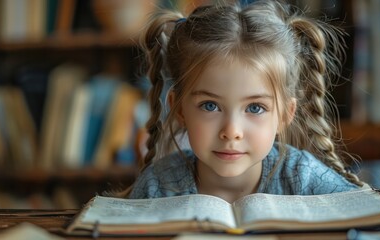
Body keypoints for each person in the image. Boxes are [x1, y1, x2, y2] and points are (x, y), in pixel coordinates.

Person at [109, 0, 364, 203]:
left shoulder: (303, 177)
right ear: (180, 109)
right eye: (210, 105)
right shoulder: (158, 185)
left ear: (286, 114)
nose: (231, 131)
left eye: (255, 108)